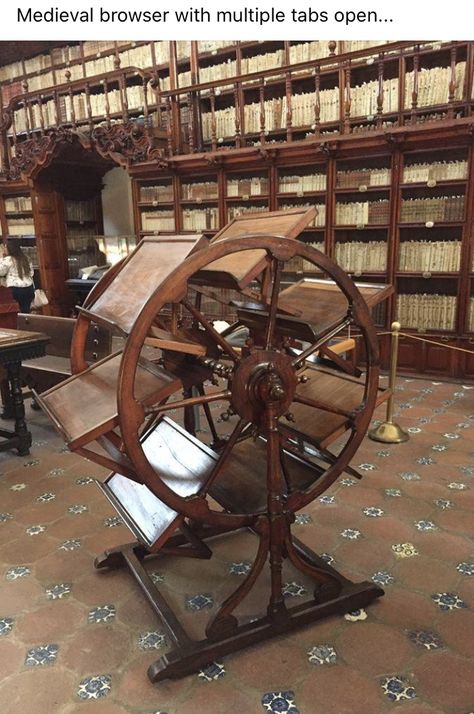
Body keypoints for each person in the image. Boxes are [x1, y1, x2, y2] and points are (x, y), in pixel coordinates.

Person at [0, 238, 35, 313]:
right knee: (26, 311)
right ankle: (26, 324)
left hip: (15, 290)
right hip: (29, 288)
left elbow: (0, 271)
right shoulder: (26, 258)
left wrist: (1, 258)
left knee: (16, 312)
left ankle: (19, 325)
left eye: (5, 247)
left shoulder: (8, 259)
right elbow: (31, 273)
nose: (4, 249)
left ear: (10, 249)